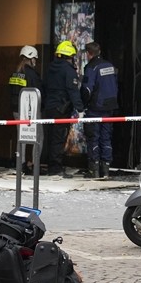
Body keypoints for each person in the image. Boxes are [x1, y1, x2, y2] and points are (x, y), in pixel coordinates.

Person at [42, 40, 84, 179]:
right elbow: (73, 91)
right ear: (69, 56)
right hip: (61, 110)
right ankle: (56, 168)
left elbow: (44, 87)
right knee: (59, 139)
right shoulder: (68, 71)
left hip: (49, 108)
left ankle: (52, 165)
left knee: (51, 138)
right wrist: (80, 109)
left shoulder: (50, 68)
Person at [80, 41, 119, 180]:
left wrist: (83, 104)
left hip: (95, 108)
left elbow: (87, 89)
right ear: (100, 51)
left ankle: (94, 170)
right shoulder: (110, 66)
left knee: (93, 138)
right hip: (110, 107)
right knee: (106, 138)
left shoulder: (91, 67)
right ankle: (106, 170)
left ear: (88, 54)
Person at [7, 45, 42, 118]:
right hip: (29, 111)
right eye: (35, 59)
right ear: (32, 59)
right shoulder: (32, 75)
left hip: (15, 110)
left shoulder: (14, 73)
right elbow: (38, 91)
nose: (35, 61)